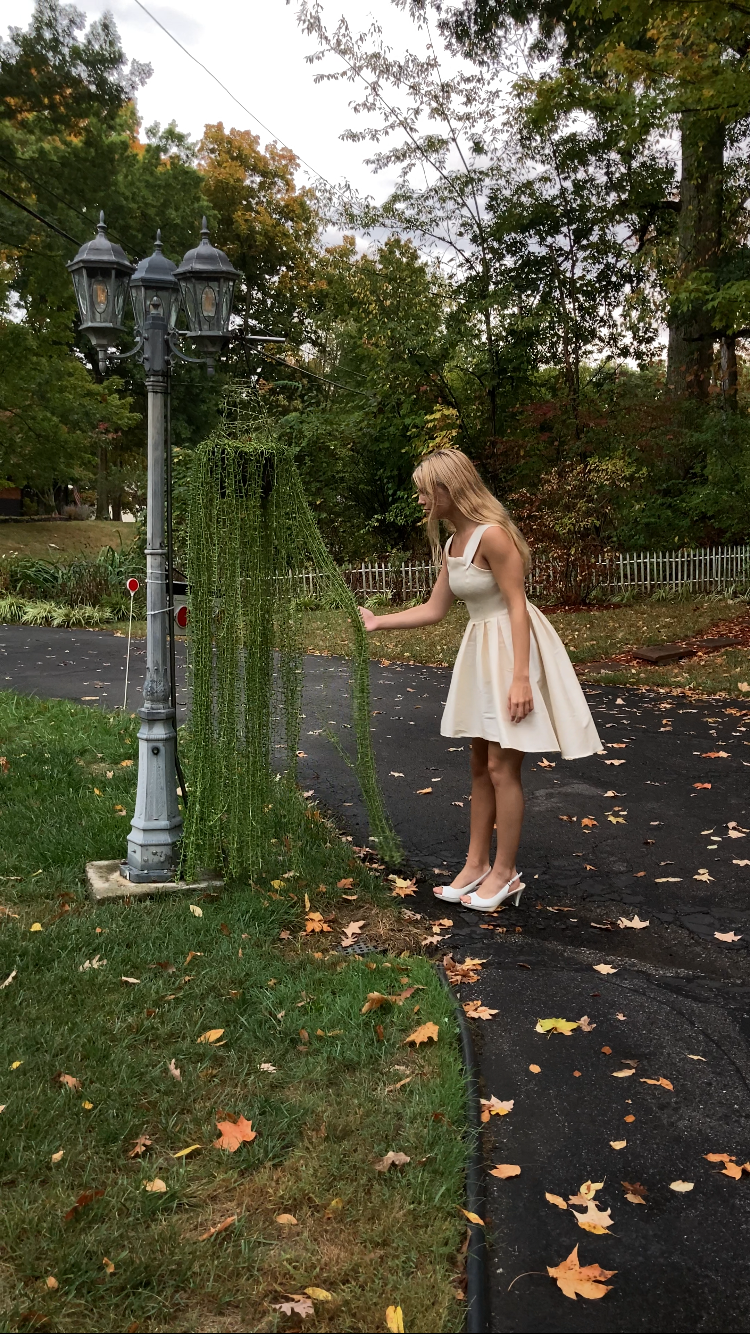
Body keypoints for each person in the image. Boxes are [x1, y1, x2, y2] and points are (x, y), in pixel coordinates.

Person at [358, 449, 602, 911]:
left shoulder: (494, 536)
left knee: (501, 768)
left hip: (512, 652)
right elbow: (435, 609)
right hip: (480, 656)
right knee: (478, 768)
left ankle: (506, 874)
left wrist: (521, 679)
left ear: (449, 487)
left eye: (424, 490)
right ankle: (475, 866)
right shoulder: (454, 545)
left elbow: (516, 605)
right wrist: (378, 622)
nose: (419, 499)